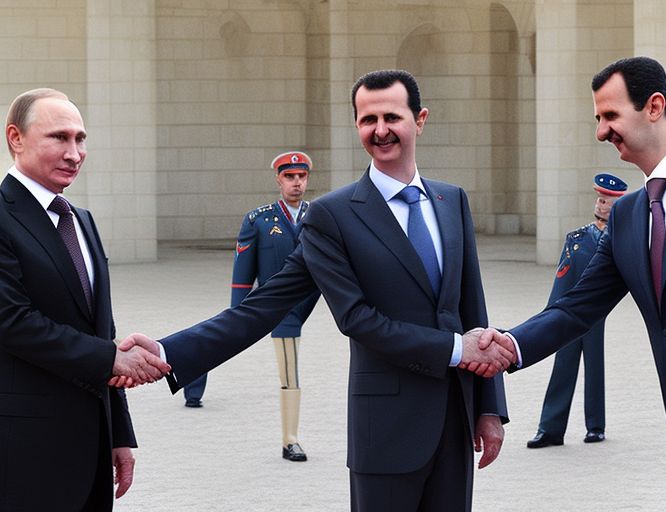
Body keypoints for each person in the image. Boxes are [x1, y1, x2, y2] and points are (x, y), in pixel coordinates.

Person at [115, 69, 516, 511]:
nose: (379, 131)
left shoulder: (451, 200)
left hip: (455, 423)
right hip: (386, 432)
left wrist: (489, 407)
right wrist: (169, 353)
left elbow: (471, 307)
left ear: (419, 120)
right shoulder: (333, 216)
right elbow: (292, 309)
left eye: (391, 117)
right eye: (367, 120)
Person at [472, 56, 666, 511]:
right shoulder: (628, 215)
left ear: (653, 106)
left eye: (610, 116)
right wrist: (509, 345)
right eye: (598, 119)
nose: (601, 131)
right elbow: (576, 308)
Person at [0, 88, 169, 510]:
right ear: (15, 138)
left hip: (91, 451)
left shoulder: (82, 220)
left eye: (81, 138)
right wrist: (111, 359)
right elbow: (11, 321)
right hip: (24, 453)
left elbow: (101, 332)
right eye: (59, 137)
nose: (74, 152)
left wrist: (119, 435)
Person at [184, 151, 321, 463]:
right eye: (290, 176)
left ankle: (193, 368)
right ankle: (290, 441)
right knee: (288, 371)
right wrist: (237, 316)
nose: (297, 183)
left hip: (306, 303)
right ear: (278, 179)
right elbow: (243, 272)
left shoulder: (320, 216)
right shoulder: (258, 220)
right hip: (274, 305)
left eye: (301, 176)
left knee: (287, 367)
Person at [527, 172, 627, 449]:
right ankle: (550, 429)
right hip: (568, 312)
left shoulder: (622, 240)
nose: (600, 203)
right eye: (599, 199)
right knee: (563, 365)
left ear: (618, 205)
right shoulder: (577, 238)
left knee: (595, 367)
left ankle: (595, 426)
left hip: (596, 313)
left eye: (607, 200)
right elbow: (563, 276)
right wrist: (552, 312)